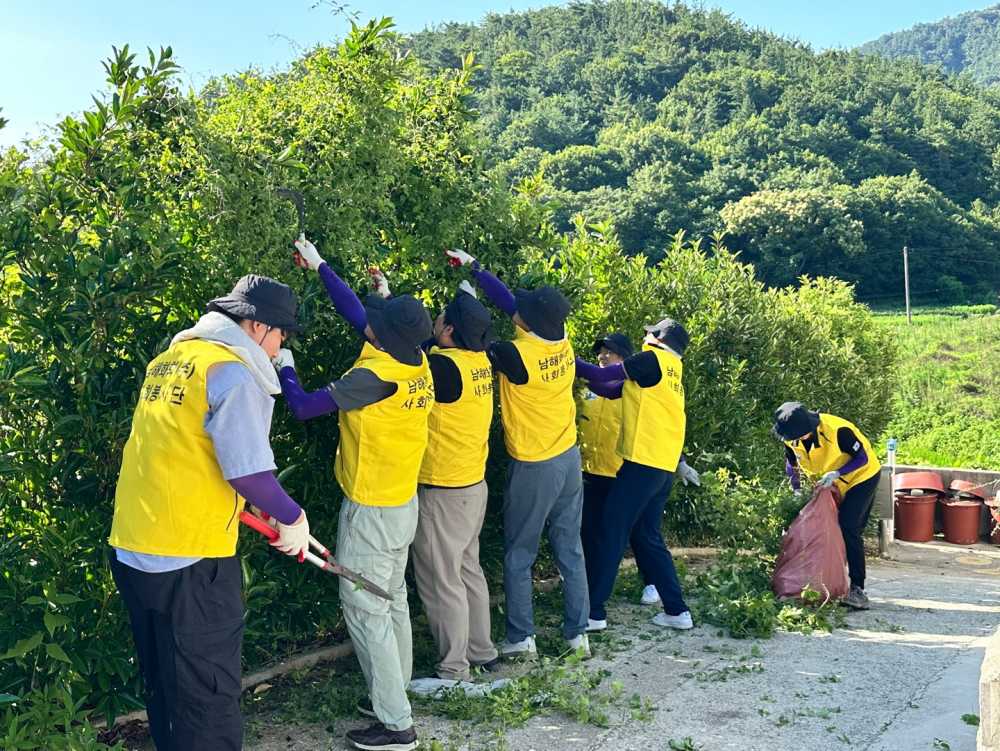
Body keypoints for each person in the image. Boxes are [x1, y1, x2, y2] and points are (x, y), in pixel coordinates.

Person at [109, 275, 311, 751]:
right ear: (256, 326)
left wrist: (267, 511)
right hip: (191, 559)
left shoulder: (172, 359)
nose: (281, 345)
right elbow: (248, 475)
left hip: (135, 546)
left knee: (165, 684)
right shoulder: (233, 373)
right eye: (281, 333)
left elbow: (186, 453)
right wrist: (293, 518)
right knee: (208, 695)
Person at [276, 238, 432, 751]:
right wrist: (320, 264)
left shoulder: (374, 378)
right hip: (402, 502)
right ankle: (397, 692)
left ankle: (396, 725)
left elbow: (302, 407)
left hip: (371, 509)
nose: (369, 325)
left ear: (385, 339)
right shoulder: (416, 361)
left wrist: (285, 365)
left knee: (365, 608)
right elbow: (358, 312)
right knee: (391, 600)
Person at [446, 248, 590, 658]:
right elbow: (514, 306)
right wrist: (476, 267)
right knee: (569, 546)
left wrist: (466, 300)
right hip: (568, 456)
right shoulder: (560, 340)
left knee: (520, 551)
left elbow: (476, 336)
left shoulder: (517, 355)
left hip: (536, 463)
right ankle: (577, 634)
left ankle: (521, 637)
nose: (517, 309)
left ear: (529, 323)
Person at [575, 317, 695, 632]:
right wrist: (582, 377)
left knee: (611, 531)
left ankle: (594, 613)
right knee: (647, 535)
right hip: (663, 467)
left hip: (641, 463)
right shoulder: (673, 371)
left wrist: (559, 356)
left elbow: (602, 375)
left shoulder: (650, 359)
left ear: (656, 338)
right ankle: (677, 610)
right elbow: (609, 387)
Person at [410, 279, 500, 681]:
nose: (436, 318)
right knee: (467, 570)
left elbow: (401, 351)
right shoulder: (479, 360)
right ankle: (482, 651)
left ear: (448, 332)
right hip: (472, 485)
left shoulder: (442, 367)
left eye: (441, 316)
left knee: (441, 580)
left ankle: (453, 670)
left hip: (443, 489)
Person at [773, 401, 882, 610]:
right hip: (830, 483)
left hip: (861, 477)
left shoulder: (838, 431)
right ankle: (828, 581)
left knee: (849, 526)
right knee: (822, 527)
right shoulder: (792, 437)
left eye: (798, 437)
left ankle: (858, 588)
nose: (793, 441)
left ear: (809, 428)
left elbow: (862, 458)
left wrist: (837, 473)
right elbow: (791, 463)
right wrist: (795, 489)